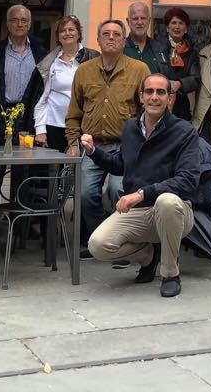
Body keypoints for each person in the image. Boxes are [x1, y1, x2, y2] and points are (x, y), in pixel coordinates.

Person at [81, 72, 200, 297]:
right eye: (149, 92)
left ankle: (170, 273)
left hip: (175, 212)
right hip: (141, 212)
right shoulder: (130, 128)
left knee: (166, 201)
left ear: (170, 98)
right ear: (141, 97)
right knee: (97, 245)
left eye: (161, 92)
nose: (154, 97)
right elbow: (121, 165)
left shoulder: (184, 132)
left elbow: (188, 180)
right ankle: (148, 256)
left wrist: (141, 194)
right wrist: (94, 152)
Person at [66, 19, 149, 253]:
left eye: (116, 34)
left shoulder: (139, 70)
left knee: (117, 191)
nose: (111, 37)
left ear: (124, 41)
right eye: (106, 34)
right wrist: (73, 141)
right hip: (92, 147)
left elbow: (148, 112)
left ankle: (119, 242)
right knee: (83, 193)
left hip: (125, 147)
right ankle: (103, 239)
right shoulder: (84, 71)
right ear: (98, 40)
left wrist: (143, 145)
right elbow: (74, 112)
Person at [0, 4, 47, 212]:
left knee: (23, 174)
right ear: (7, 24)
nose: (19, 24)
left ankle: (19, 223)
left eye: (24, 21)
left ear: (30, 24)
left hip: (28, 120)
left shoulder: (40, 51)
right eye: (14, 20)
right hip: (0, 116)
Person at [30, 15, 99, 152]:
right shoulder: (49, 63)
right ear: (58, 36)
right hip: (53, 125)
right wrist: (40, 130)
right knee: (51, 172)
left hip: (83, 127)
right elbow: (42, 99)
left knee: (77, 171)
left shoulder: (93, 59)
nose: (67, 33)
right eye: (63, 31)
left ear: (79, 33)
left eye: (71, 29)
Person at [152, 7, 199, 121]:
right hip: (157, 99)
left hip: (182, 104)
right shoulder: (156, 47)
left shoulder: (192, 51)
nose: (177, 27)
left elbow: (196, 78)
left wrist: (180, 84)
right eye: (173, 23)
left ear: (186, 28)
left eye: (181, 23)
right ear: (167, 27)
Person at [123, 1, 160, 75]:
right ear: (128, 21)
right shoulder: (120, 48)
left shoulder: (160, 48)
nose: (139, 22)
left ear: (149, 21)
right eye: (135, 19)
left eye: (143, 18)